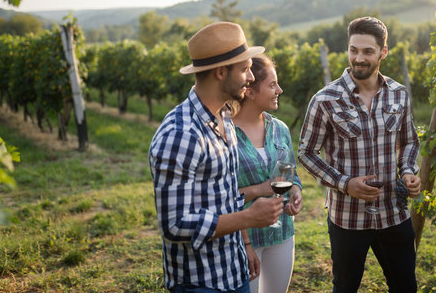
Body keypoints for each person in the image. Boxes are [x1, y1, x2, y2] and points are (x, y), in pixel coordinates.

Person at [149, 21, 284, 293]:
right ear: (222, 72)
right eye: (245, 69)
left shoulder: (224, 118)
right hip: (201, 282)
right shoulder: (181, 134)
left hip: (233, 270)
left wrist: (244, 245)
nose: (251, 77)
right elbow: (174, 225)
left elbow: (223, 196)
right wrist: (248, 218)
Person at [298, 16, 421, 292]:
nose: (359, 58)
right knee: (345, 287)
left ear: (383, 53)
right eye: (354, 50)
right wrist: (345, 183)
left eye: (367, 51)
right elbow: (306, 152)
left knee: (405, 286)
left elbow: (410, 141)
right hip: (347, 218)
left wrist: (409, 171)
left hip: (394, 212)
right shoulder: (325, 99)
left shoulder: (399, 95)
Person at [232, 54, 303, 293]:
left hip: (282, 232)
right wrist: (247, 243)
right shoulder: (226, 135)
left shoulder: (280, 129)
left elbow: (290, 174)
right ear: (250, 91)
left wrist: (295, 192)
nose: (279, 90)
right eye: (272, 85)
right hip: (244, 239)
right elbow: (222, 195)